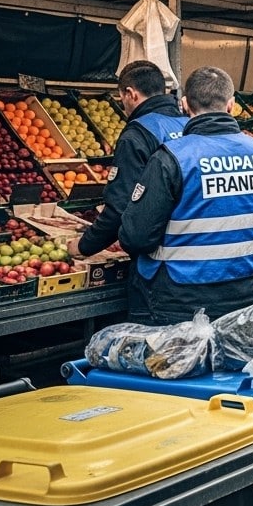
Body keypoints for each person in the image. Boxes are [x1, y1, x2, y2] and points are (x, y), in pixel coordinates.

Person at [119, 67, 253, 324]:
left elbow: (136, 236)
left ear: (185, 105)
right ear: (231, 105)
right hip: (248, 295)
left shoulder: (172, 158)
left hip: (178, 302)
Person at [68, 61, 188, 323]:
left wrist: (83, 246)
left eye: (122, 97)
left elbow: (120, 206)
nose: (123, 105)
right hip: (192, 262)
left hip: (157, 269)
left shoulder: (139, 133)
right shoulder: (189, 125)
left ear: (131, 94)